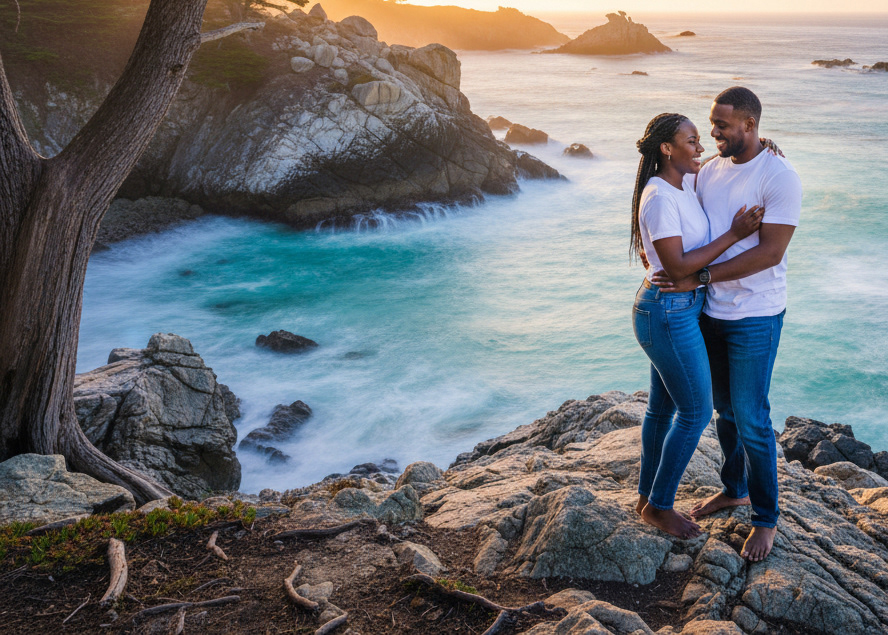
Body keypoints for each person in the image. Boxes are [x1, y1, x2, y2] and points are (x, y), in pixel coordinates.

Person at [652, 87, 802, 561]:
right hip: (708, 311)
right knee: (726, 413)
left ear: (751, 127)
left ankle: (765, 518)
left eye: (723, 126)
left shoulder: (779, 176)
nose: (713, 132)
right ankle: (734, 488)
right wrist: (651, 246)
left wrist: (701, 275)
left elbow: (771, 252)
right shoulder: (709, 170)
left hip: (756, 314)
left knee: (753, 419)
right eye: (711, 124)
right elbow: (675, 207)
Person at [631, 112, 764, 539]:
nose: (701, 147)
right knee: (694, 412)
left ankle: (646, 496)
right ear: (667, 149)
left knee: (662, 408)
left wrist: (765, 145)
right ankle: (659, 506)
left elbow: (728, 158)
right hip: (668, 311)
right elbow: (680, 265)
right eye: (692, 141)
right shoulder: (659, 197)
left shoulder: (683, 182)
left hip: (677, 309)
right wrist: (734, 232)